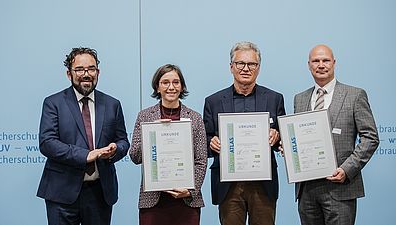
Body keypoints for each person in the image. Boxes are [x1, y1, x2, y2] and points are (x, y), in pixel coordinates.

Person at [36, 47, 130, 225]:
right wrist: (85, 155)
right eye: (79, 69)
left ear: (98, 72)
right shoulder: (53, 103)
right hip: (61, 192)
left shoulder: (112, 104)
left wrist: (116, 150)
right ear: (69, 74)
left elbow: (123, 141)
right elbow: (47, 142)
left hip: (100, 192)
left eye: (91, 69)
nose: (86, 74)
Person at [294, 44, 379, 225]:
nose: (321, 65)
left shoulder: (355, 95)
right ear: (309, 65)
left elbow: (370, 137)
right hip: (307, 190)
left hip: (341, 188)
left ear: (334, 63)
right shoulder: (299, 98)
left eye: (325, 60)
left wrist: (347, 169)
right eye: (316, 61)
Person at [203, 41, 286, 225]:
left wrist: (277, 136)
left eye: (252, 64)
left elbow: (284, 137)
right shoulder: (213, 101)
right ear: (231, 67)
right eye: (240, 63)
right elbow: (205, 139)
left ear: (259, 68)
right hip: (228, 185)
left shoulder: (274, 99)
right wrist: (212, 142)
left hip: (263, 184)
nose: (246, 68)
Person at [129, 64, 207, 225]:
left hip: (186, 201)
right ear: (157, 87)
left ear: (182, 86)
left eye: (176, 82)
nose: (171, 87)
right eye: (165, 82)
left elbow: (201, 160)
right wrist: (152, 133)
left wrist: (190, 190)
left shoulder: (195, 118)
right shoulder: (145, 117)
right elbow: (135, 156)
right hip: (153, 201)